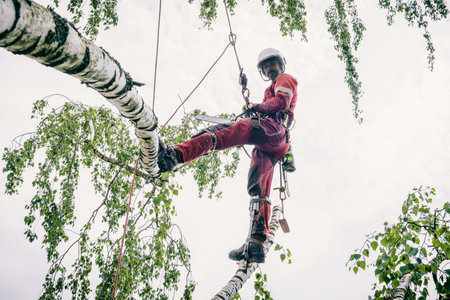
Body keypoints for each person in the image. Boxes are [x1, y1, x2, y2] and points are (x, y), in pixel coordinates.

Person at [158, 48, 298, 263]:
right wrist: (258, 108)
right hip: (274, 142)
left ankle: (175, 156)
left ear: (280, 64)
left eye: (272, 64)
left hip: (272, 129)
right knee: (258, 187)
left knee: (217, 134)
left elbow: (281, 103)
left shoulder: (284, 79)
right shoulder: (272, 86)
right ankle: (256, 242)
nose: (270, 68)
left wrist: (256, 107)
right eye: (266, 66)